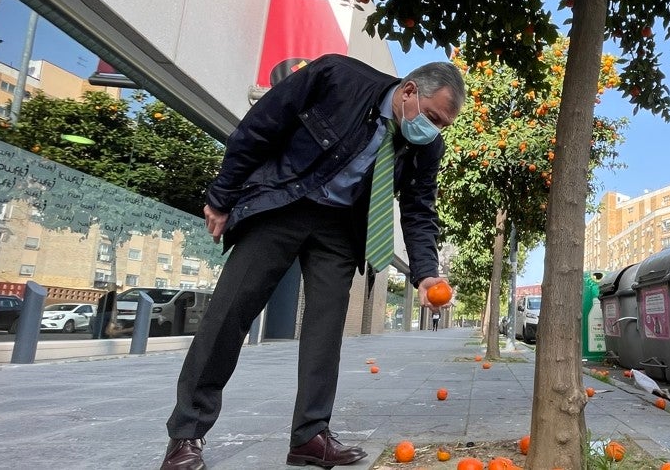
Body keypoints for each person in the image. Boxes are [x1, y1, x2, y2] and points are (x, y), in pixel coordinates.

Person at [159, 54, 464, 470]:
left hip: (341, 228)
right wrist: (221, 195)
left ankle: (310, 437)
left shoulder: (426, 146)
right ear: (409, 91)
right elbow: (262, 125)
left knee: (325, 333)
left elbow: (418, 208)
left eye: (443, 125)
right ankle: (186, 435)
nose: (434, 130)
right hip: (285, 202)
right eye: (432, 117)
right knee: (228, 316)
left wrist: (426, 274)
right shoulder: (338, 77)